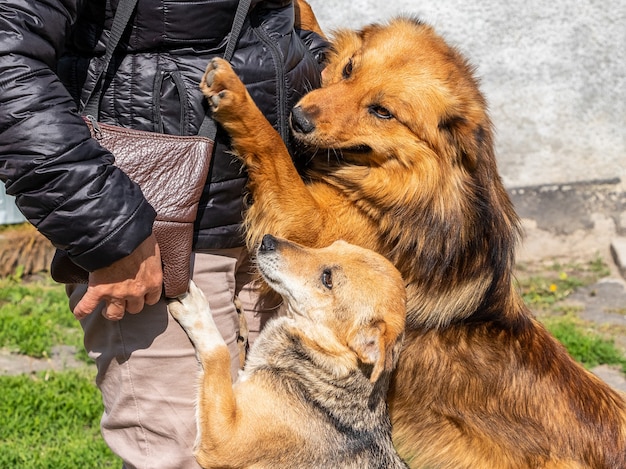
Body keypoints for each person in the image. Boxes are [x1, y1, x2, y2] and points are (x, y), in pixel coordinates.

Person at [0, 1, 326, 467]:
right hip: (157, 232)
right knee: (192, 454)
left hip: (277, 226)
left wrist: (330, 65)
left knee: (283, 453)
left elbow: (271, 23)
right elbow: (8, 57)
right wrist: (108, 229)